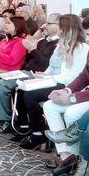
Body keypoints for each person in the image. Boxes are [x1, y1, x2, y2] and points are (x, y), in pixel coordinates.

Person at [16, 15, 88, 152]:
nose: (59, 31)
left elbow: (76, 76)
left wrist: (52, 80)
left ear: (65, 29)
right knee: (23, 89)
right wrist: (46, 76)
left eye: (60, 28)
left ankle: (39, 134)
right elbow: (55, 68)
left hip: (68, 84)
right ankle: (63, 152)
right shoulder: (64, 45)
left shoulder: (81, 48)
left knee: (31, 96)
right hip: (61, 81)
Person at [0, 13, 62, 134]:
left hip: (38, 73)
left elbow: (46, 65)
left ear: (58, 26)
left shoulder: (58, 44)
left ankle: (5, 120)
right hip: (25, 71)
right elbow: (31, 55)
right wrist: (36, 38)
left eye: (48, 23)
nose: (44, 26)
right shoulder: (43, 41)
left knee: (2, 84)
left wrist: (33, 49)